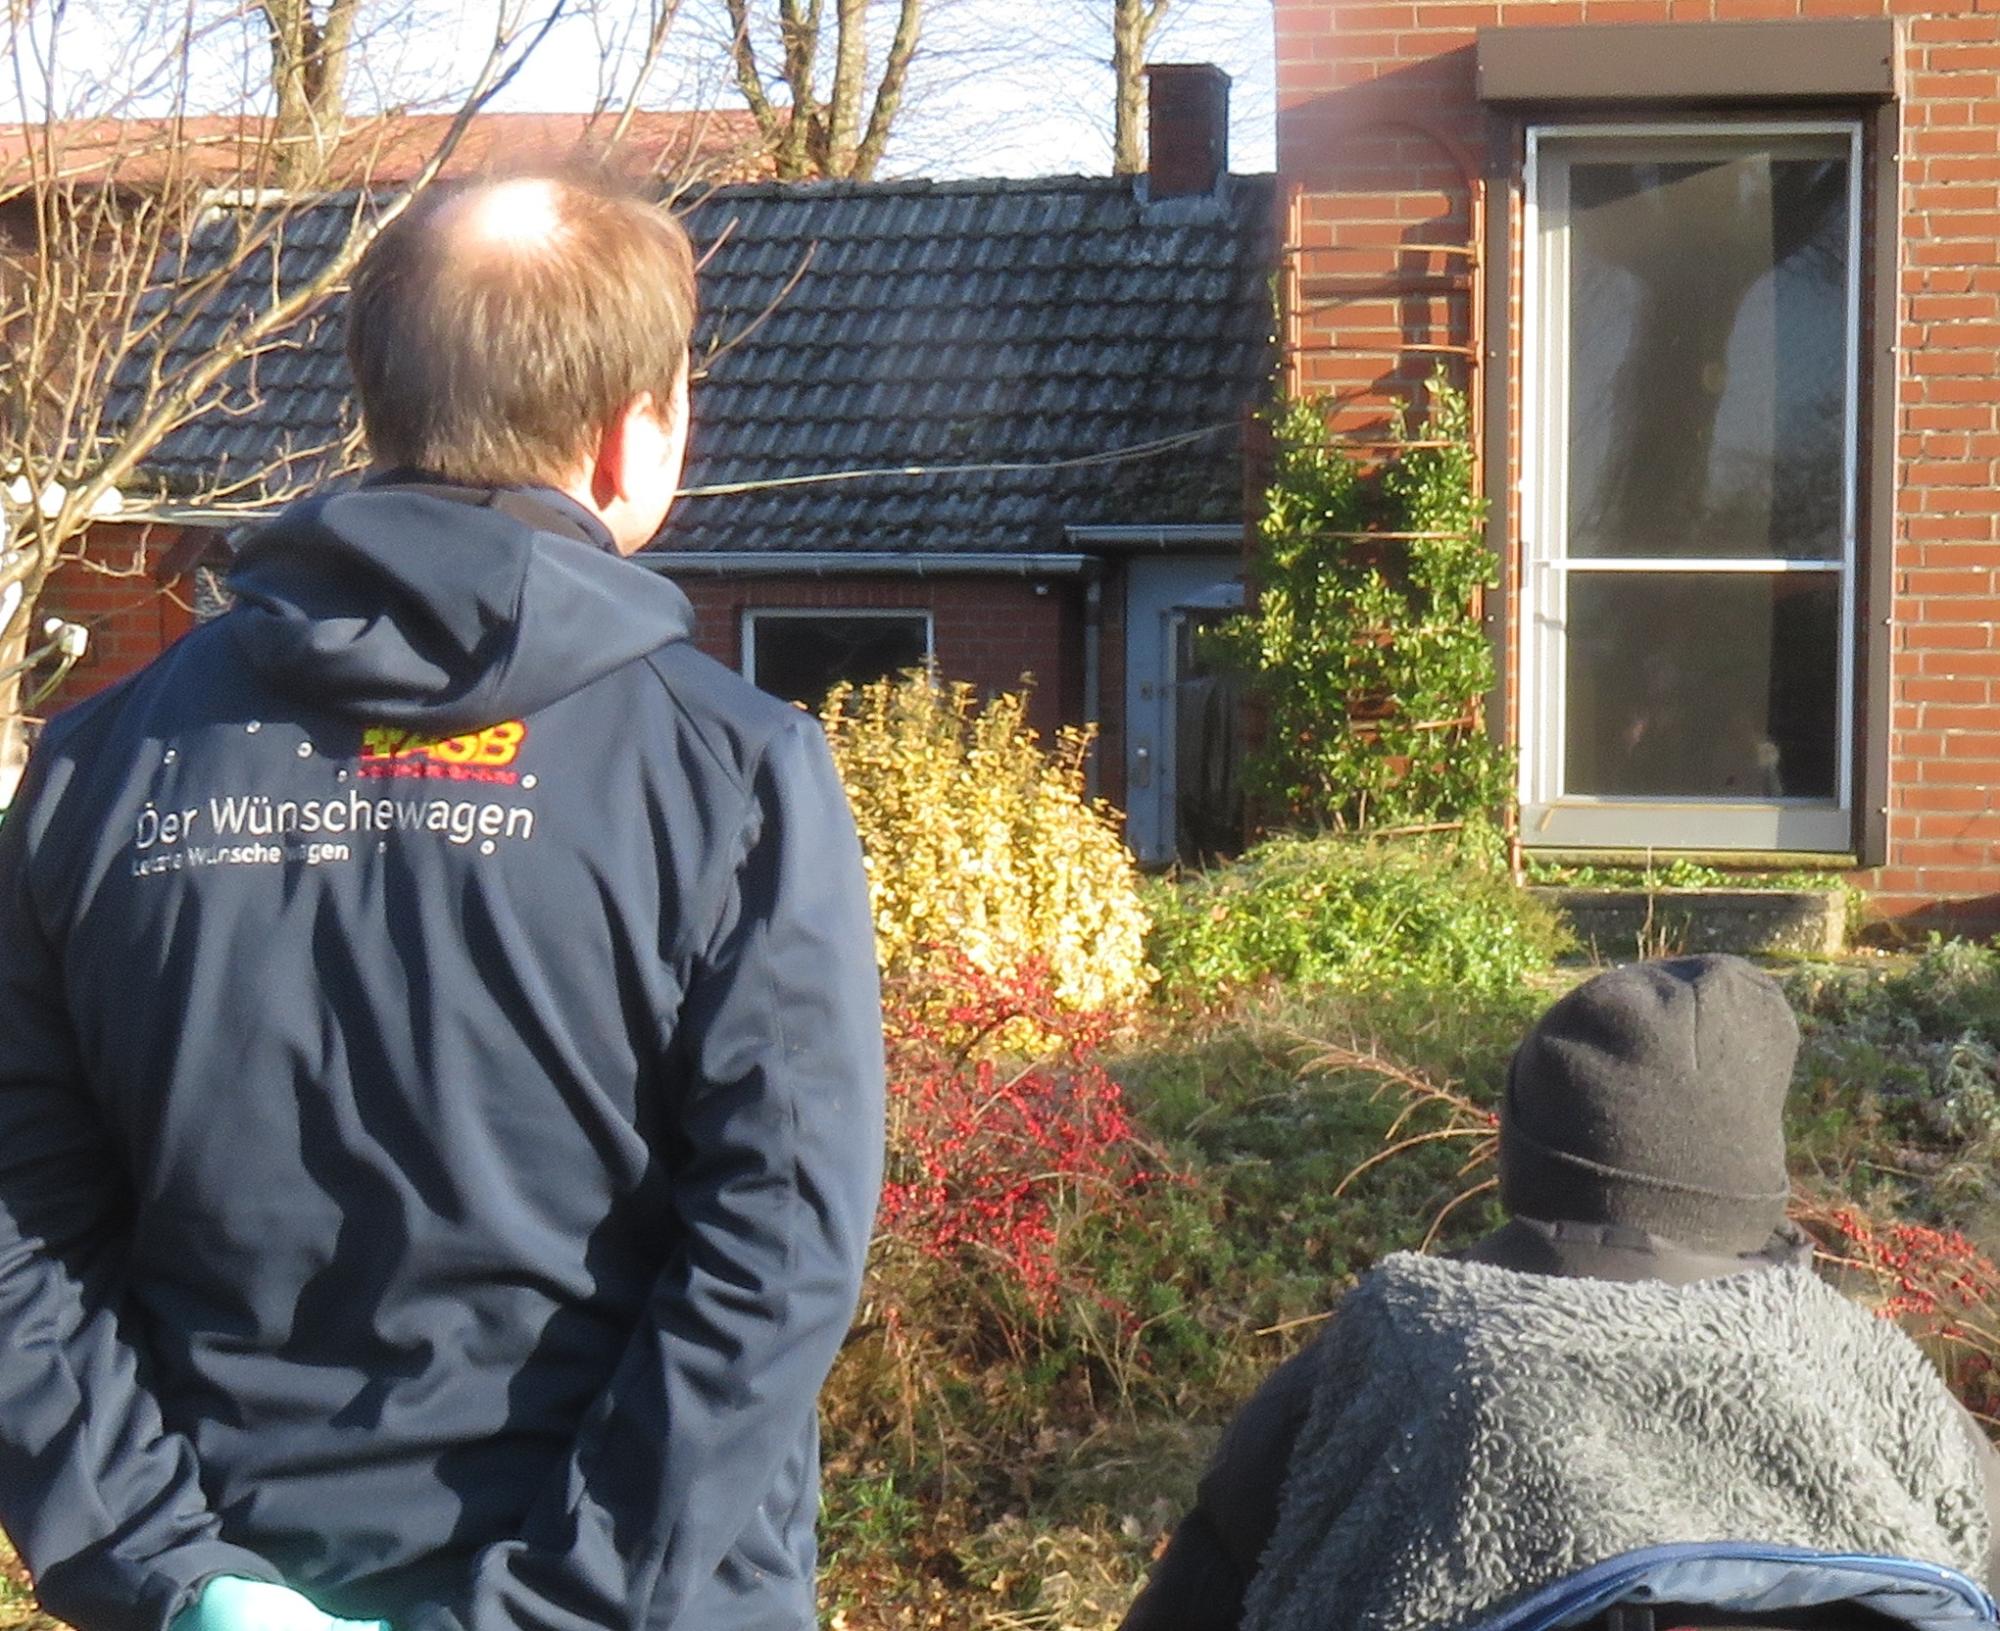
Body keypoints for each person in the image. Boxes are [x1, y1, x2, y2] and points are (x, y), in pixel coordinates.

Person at [0, 174, 885, 1631]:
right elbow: (778, 1250)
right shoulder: (732, 772)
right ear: (630, 436)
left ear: (380, 398)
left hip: (232, 1578)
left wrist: (172, 1576)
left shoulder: (100, 764)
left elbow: (21, 1223)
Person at [1119, 955, 2000, 1631]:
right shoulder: (1875, 1373)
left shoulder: (1398, 1343)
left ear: (1524, 1150)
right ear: (1760, 1168)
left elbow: (1203, 1590)